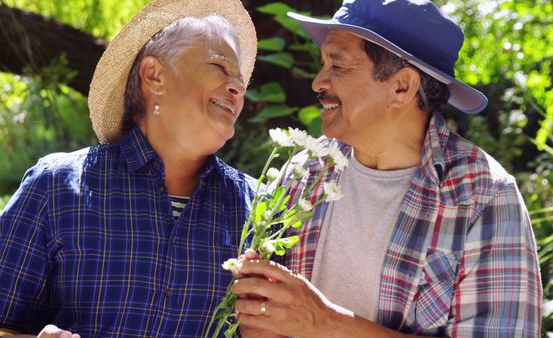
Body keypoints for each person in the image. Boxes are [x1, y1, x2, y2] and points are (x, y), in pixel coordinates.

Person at [232, 0, 542, 337]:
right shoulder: (304, 173)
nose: (318, 83)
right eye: (324, 64)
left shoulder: (483, 197)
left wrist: (323, 323)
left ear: (401, 87)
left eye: (338, 66)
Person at [0, 0, 258, 336]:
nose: (237, 88)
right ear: (154, 75)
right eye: (220, 67)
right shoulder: (54, 188)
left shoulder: (263, 211)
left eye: (241, 81)